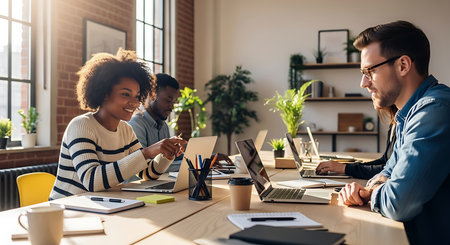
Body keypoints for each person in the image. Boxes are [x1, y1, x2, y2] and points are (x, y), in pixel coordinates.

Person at [338, 21, 450, 244]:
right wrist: (379, 185)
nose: (363, 83)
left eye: (370, 71)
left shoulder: (433, 111)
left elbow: (399, 203)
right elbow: (387, 172)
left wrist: (373, 193)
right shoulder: (408, 114)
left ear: (403, 65)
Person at [49, 49, 187, 200]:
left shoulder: (125, 130)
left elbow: (147, 173)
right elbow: (92, 181)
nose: (134, 102)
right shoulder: (81, 126)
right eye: (125, 94)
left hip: (103, 206)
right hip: (68, 210)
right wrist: (147, 152)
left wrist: (167, 154)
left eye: (137, 96)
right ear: (104, 93)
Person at [315, 105, 397, 179]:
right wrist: (344, 167)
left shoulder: (402, 125)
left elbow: (391, 170)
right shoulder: (393, 123)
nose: (366, 87)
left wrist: (345, 168)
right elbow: (385, 161)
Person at [128, 73, 179, 148]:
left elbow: (168, 158)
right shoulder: (136, 124)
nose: (172, 107)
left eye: (174, 102)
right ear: (152, 95)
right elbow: (141, 158)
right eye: (168, 100)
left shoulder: (163, 126)